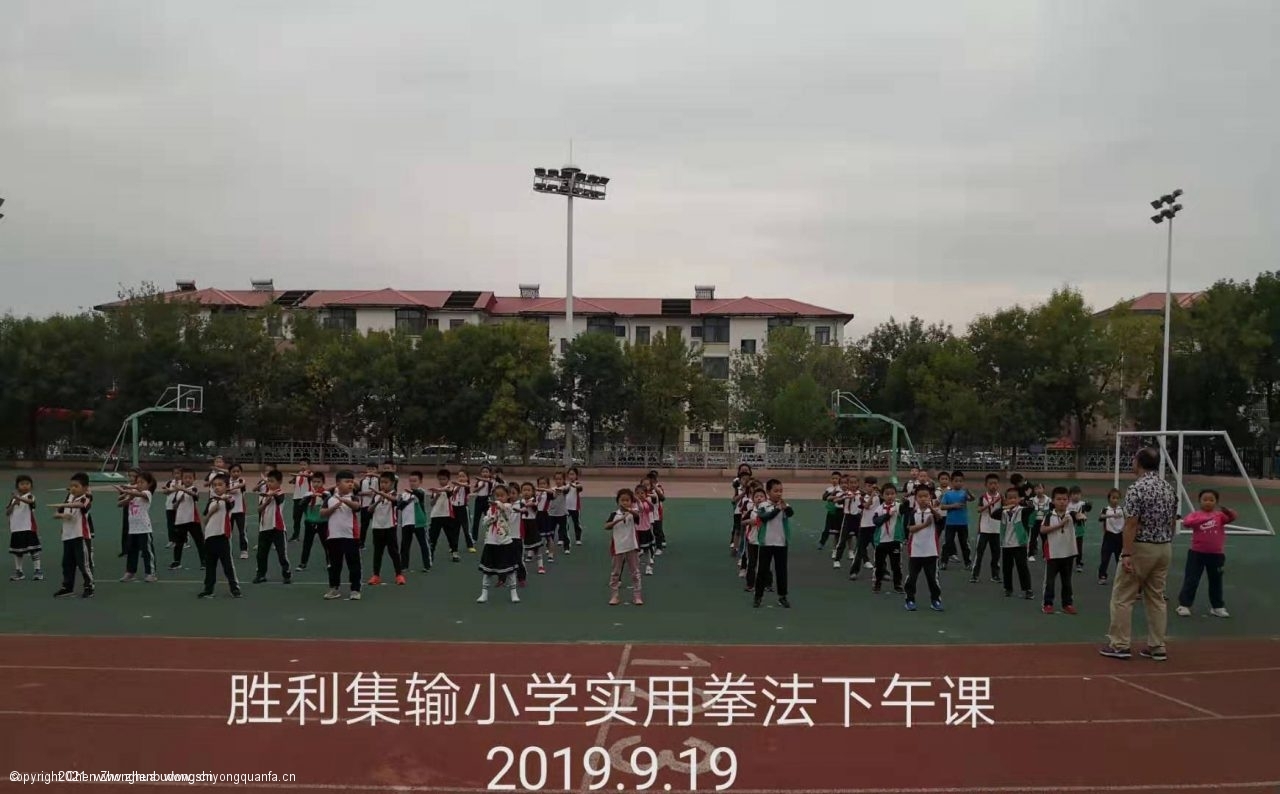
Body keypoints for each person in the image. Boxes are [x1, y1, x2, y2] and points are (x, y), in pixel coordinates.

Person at [1101, 448, 1177, 662]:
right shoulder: (1168, 487)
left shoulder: (1137, 488)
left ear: (1139, 463)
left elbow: (1131, 523)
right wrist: (1165, 539)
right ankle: (1157, 645)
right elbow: (1172, 520)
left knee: (1122, 596)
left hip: (1142, 547)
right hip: (1164, 547)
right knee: (1156, 598)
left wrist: (1126, 552)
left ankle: (1120, 644)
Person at [1176, 489, 1237, 618]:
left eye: (1211, 500)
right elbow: (1187, 523)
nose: (1208, 502)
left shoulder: (1220, 516)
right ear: (1200, 501)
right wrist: (1203, 520)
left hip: (1216, 555)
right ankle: (1184, 605)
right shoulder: (1195, 515)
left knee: (1216, 581)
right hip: (1196, 553)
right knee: (1192, 579)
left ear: (1216, 502)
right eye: (1205, 500)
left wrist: (1228, 512)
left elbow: (1232, 517)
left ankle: (1217, 607)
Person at [50, 473, 94, 598]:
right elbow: (55, 514)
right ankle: (67, 587)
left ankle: (89, 586)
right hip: (67, 536)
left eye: (76, 486)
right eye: (71, 486)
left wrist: (65, 505)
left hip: (81, 536)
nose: (73, 488)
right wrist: (62, 515)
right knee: (67, 563)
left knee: (83, 564)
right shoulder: (69, 498)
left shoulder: (86, 498)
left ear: (85, 488)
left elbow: (81, 506)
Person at [320, 470, 362, 601]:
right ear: (338, 484)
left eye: (351, 482)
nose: (350, 484)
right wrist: (333, 507)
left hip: (351, 536)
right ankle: (334, 588)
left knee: (354, 565)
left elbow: (357, 507)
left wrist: (344, 500)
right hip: (333, 536)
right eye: (347, 481)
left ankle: (355, 589)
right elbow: (322, 513)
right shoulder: (330, 499)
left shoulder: (353, 497)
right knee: (334, 565)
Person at [198, 474, 241, 599]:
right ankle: (208, 589)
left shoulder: (228, 499)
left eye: (220, 485)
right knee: (210, 566)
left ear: (226, 486)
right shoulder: (211, 501)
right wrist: (212, 511)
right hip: (209, 537)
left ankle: (235, 588)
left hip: (222, 537)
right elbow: (205, 520)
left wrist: (224, 498)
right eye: (214, 485)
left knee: (228, 565)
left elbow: (230, 503)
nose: (217, 487)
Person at [476, 484, 520, 604]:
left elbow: (504, 509)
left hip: (505, 543)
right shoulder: (490, 509)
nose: (499, 497)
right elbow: (485, 522)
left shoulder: (508, 506)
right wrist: (491, 516)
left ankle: (514, 593)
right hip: (491, 542)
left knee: (510, 570)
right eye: (497, 495)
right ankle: (484, 593)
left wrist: (497, 505)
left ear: (507, 496)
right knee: (487, 571)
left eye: (502, 495)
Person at [752, 479, 793, 609]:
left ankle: (782, 596)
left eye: (781, 491)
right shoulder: (763, 505)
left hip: (781, 543)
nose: (779, 493)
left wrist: (785, 507)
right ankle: (758, 596)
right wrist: (777, 509)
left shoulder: (784, 504)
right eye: (776, 491)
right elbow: (764, 517)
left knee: (781, 571)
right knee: (762, 571)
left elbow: (790, 513)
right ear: (768, 492)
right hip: (767, 543)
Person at [1040, 487, 1080, 615]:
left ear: (1068, 501)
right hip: (1053, 553)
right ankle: (1047, 603)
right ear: (1053, 501)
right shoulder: (1048, 515)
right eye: (1058, 499)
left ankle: (1067, 604)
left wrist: (1082, 514)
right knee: (1050, 581)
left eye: (1064, 499)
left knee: (1067, 581)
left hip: (1068, 553)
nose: (1062, 502)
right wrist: (1060, 525)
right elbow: (1042, 530)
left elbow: (1080, 516)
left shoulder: (1071, 514)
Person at [903, 485, 943, 612]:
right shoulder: (913, 513)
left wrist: (931, 508)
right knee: (912, 577)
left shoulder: (934, 512)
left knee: (932, 578)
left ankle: (935, 600)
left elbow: (940, 520)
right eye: (920, 496)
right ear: (916, 498)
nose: (923, 499)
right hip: (915, 551)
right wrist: (925, 525)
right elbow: (910, 529)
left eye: (926, 496)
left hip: (931, 551)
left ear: (930, 497)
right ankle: (910, 600)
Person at [604, 488, 643, 606]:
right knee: (615, 573)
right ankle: (614, 596)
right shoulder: (614, 514)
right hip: (618, 547)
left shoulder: (633, 513)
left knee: (635, 572)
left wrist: (631, 508)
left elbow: (639, 512)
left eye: (627, 500)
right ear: (618, 501)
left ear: (631, 501)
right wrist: (619, 520)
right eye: (622, 500)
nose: (625, 503)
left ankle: (637, 596)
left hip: (631, 546)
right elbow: (606, 526)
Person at [252, 470, 292, 585]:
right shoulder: (265, 495)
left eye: (272, 481)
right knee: (261, 554)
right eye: (268, 481)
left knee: (282, 554)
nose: (269, 483)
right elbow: (259, 509)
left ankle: (286, 574)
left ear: (279, 482)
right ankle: (261, 575)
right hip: (264, 528)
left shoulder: (280, 493)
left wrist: (271, 495)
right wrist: (266, 502)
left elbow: (279, 499)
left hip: (277, 528)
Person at [117, 471, 158, 582]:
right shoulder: (133, 494)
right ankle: (130, 572)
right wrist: (128, 497)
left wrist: (127, 490)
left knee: (147, 551)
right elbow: (119, 504)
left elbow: (141, 494)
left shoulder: (147, 493)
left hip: (144, 528)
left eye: (142, 482)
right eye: (137, 482)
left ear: (149, 484)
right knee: (131, 551)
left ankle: (151, 573)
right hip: (133, 528)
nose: (139, 484)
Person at [994, 486, 1034, 599]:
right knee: (1007, 568)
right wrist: (1004, 507)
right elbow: (993, 514)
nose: (1012, 500)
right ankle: (1008, 588)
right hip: (1006, 544)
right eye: (1010, 498)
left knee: (1022, 567)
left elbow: (1031, 509)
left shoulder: (1022, 510)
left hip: (1019, 544)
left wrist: (1026, 501)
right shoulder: (1003, 512)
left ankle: (1027, 589)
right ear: (1005, 500)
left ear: (1019, 499)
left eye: (1015, 498)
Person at [367, 472, 405, 586]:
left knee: (393, 552)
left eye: (386, 482)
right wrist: (378, 500)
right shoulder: (376, 496)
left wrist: (381, 494)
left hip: (390, 527)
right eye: (381, 482)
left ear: (392, 483)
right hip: (377, 527)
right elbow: (369, 510)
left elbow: (395, 501)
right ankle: (376, 575)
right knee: (377, 553)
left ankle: (399, 574)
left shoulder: (395, 494)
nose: (383, 485)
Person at [868, 483, 905, 594]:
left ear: (896, 494)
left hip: (895, 540)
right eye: (887, 494)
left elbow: (905, 509)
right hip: (881, 541)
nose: (890, 496)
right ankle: (877, 583)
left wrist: (907, 501)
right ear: (882, 496)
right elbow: (876, 522)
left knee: (896, 565)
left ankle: (897, 584)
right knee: (879, 564)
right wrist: (888, 515)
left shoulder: (898, 506)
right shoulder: (879, 509)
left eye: (892, 494)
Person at [8, 475, 42, 581]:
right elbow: (7, 512)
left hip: (28, 528)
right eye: (22, 484)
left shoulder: (30, 496)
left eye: (27, 484)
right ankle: (19, 571)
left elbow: (30, 502)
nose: (25, 486)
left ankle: (38, 571)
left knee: (34, 550)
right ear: (17, 486)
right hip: (16, 529)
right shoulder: (14, 499)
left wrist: (18, 498)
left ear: (31, 486)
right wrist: (14, 503)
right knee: (17, 552)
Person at [938, 471, 973, 571]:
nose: (958, 483)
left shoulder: (964, 493)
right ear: (952, 482)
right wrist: (953, 506)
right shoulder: (948, 494)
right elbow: (942, 506)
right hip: (950, 523)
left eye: (960, 481)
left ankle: (968, 563)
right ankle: (943, 562)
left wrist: (969, 493)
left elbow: (971, 499)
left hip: (962, 523)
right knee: (947, 543)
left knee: (964, 544)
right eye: (956, 481)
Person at [168, 469, 203, 571]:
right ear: (182, 479)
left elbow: (195, 495)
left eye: (190, 478)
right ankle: (177, 562)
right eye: (185, 478)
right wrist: (178, 501)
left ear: (194, 479)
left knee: (199, 542)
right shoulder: (178, 492)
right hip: (180, 520)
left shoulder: (194, 488)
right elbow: (174, 506)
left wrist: (183, 490)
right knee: (179, 543)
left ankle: (204, 561)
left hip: (192, 520)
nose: (187, 480)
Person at [972, 473, 1003, 584]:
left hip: (996, 529)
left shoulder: (1001, 497)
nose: (993, 486)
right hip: (984, 529)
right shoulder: (983, 497)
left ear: (998, 484)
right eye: (991, 483)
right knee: (979, 553)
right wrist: (990, 504)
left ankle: (995, 575)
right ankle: (975, 575)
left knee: (996, 554)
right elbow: (979, 509)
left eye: (995, 483)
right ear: (986, 485)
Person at [398, 471, 431, 573]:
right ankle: (404, 565)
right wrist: (407, 500)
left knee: (423, 544)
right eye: (410, 481)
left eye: (415, 481)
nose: (412, 483)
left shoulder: (421, 492)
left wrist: (413, 493)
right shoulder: (404, 494)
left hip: (419, 523)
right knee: (405, 545)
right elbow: (399, 506)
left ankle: (427, 565)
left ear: (420, 481)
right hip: (406, 523)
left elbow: (419, 495)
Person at [296, 472, 328, 571]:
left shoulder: (326, 494)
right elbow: (300, 505)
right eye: (314, 482)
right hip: (309, 522)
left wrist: (322, 496)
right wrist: (310, 497)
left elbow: (329, 503)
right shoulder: (308, 494)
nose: (316, 484)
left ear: (323, 482)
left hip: (323, 522)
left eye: (319, 482)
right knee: (307, 544)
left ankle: (330, 562)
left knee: (326, 544)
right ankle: (303, 563)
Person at [428, 469, 461, 563]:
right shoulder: (435, 491)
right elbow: (432, 503)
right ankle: (430, 554)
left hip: (447, 515)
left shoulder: (449, 489)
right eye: (440, 479)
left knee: (451, 536)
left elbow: (449, 492)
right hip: (436, 515)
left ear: (448, 479)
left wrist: (439, 490)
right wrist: (436, 495)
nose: (442, 481)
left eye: (444, 479)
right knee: (433, 536)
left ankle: (454, 552)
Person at [852, 477, 879, 576]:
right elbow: (867, 506)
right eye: (868, 486)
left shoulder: (879, 497)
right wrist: (872, 495)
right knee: (860, 550)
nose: (870, 488)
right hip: (864, 526)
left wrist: (878, 492)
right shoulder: (861, 497)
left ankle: (883, 571)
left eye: (872, 486)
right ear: (865, 486)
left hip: (875, 526)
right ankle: (854, 571)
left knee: (879, 550)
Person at [1096, 489, 1125, 584]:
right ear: (1109, 499)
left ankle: (1121, 577)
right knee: (1105, 558)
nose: (1115, 500)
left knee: (1120, 559)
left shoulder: (1122, 510)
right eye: (1113, 498)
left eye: (1117, 498)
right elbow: (1100, 517)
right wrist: (1111, 515)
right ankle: (1102, 576)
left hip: (1120, 537)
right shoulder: (1106, 510)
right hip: (1109, 536)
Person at [517, 482, 544, 576]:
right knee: (521, 546)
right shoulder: (520, 502)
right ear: (521, 492)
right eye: (524, 490)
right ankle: (521, 568)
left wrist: (529, 505)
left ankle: (540, 566)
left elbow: (533, 506)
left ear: (532, 492)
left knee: (537, 547)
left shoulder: (534, 501)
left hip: (532, 524)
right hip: (522, 524)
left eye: (528, 490)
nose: (526, 492)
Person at [227, 463, 250, 560]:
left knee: (242, 532)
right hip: (229, 511)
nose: (236, 473)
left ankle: (244, 550)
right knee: (228, 532)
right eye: (233, 471)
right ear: (230, 472)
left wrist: (229, 488)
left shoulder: (241, 480)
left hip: (240, 510)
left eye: (238, 471)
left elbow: (240, 486)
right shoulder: (226, 481)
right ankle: (228, 551)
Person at [1068, 486, 1092, 573]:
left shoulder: (1082, 504)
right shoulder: (1067, 504)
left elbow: (1087, 508)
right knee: (1069, 546)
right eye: (1074, 494)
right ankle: (1067, 562)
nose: (1076, 496)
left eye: (1078, 494)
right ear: (1070, 495)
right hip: (1068, 528)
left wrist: (1088, 506)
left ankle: (1079, 563)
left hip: (1079, 528)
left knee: (1079, 547)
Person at [290, 458, 313, 541]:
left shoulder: (310, 473)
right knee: (296, 518)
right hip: (297, 498)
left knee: (308, 518)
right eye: (301, 464)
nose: (302, 466)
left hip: (306, 498)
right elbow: (294, 482)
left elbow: (310, 476)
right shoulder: (298, 474)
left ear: (308, 465)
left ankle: (310, 534)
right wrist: (293, 479)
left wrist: (301, 475)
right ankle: (296, 535)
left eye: (304, 464)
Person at [452, 469, 475, 552]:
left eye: (463, 476)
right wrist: (457, 486)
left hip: (463, 509)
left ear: (467, 478)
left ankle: (470, 545)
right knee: (455, 529)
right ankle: (454, 547)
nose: (461, 478)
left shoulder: (466, 486)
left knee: (466, 529)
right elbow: (453, 493)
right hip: (455, 508)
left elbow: (467, 486)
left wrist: (459, 484)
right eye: (459, 476)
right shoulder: (455, 486)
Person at [818, 471, 842, 550]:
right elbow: (824, 498)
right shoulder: (829, 489)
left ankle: (838, 545)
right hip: (831, 512)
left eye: (836, 478)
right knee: (827, 529)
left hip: (839, 512)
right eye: (833, 478)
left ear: (840, 479)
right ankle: (822, 543)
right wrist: (832, 494)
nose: (834, 480)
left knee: (838, 530)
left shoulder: (841, 488)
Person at [357, 463, 379, 551]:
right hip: (365, 506)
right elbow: (358, 492)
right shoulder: (363, 480)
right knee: (364, 526)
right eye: (369, 469)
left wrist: (374, 493)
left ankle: (377, 543)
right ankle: (361, 543)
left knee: (376, 525)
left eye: (373, 469)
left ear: (377, 470)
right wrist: (366, 493)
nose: (370, 471)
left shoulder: (378, 479)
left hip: (376, 506)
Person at [548, 471, 571, 555]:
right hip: (552, 514)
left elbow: (567, 489)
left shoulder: (565, 488)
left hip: (562, 514)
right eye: (556, 479)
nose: (558, 481)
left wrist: (564, 488)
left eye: (560, 479)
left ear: (563, 480)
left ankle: (566, 547)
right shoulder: (552, 489)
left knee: (564, 532)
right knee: (551, 532)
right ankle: (549, 547)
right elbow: (550, 497)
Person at [471, 465, 494, 550]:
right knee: (476, 519)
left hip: (486, 500)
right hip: (479, 500)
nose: (485, 473)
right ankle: (474, 538)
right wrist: (481, 486)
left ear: (490, 473)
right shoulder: (479, 481)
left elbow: (490, 481)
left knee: (488, 519)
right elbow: (474, 490)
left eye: (486, 472)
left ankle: (490, 536)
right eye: (483, 472)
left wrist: (482, 480)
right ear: (481, 473)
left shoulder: (490, 481)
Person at [1027, 483, 1050, 562]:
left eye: (1040, 488)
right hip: (1035, 522)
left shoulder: (1049, 500)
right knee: (1033, 538)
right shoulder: (1031, 500)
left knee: (1045, 539)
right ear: (1034, 491)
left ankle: (1045, 555)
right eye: (1036, 489)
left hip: (1044, 523)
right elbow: (1028, 511)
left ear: (1043, 489)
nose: (1038, 490)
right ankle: (1030, 555)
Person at [161, 466, 182, 549]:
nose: (176, 475)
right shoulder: (170, 482)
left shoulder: (183, 482)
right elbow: (164, 492)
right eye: (175, 473)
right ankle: (172, 540)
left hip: (179, 507)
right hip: (169, 506)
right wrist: (167, 490)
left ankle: (182, 541)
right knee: (170, 524)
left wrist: (171, 490)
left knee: (180, 524)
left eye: (178, 473)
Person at [646, 471, 667, 554]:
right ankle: (650, 544)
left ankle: (659, 547)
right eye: (650, 478)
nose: (651, 480)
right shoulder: (645, 488)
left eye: (653, 478)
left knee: (657, 530)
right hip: (648, 513)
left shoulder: (658, 487)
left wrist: (656, 489)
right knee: (649, 529)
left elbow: (662, 498)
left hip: (657, 513)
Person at [565, 467, 585, 547]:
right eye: (570, 474)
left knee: (576, 523)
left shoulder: (577, 483)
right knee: (564, 524)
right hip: (566, 507)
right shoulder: (566, 484)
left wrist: (574, 486)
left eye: (573, 474)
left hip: (575, 508)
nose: (571, 476)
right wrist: (568, 486)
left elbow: (580, 488)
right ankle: (564, 538)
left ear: (576, 475)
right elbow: (564, 491)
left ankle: (578, 539)